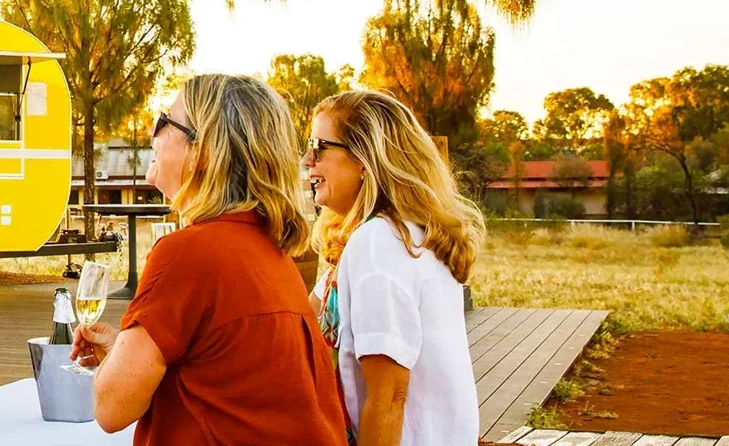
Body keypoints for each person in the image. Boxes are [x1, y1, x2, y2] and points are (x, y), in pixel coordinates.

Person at [70, 73, 346, 445]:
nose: (153, 134)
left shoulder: (190, 253)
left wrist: (119, 364)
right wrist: (128, 350)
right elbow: (224, 378)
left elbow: (111, 408)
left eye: (164, 122)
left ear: (204, 153)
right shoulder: (267, 251)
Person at [304, 90, 484, 446]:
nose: (307, 158)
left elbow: (387, 400)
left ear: (365, 159)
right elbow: (299, 330)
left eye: (318, 146)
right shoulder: (399, 237)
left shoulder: (381, 244)